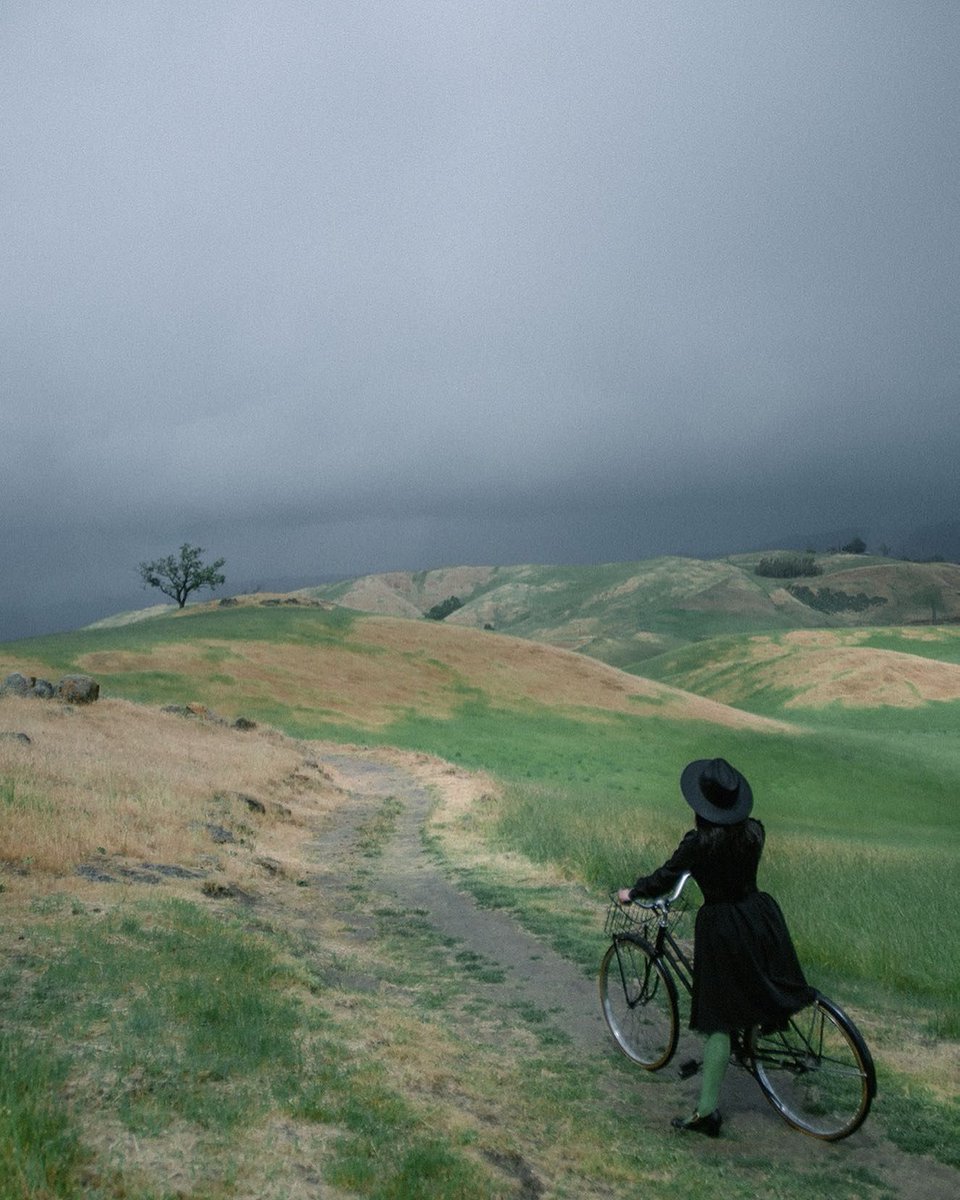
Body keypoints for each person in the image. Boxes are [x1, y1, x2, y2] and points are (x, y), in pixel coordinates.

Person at [618, 757, 814, 1138]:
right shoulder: (755, 832)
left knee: (718, 1018)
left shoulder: (699, 843)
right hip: (758, 916)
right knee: (756, 983)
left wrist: (633, 892)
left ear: (702, 806)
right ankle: (757, 1032)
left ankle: (706, 1113)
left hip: (722, 926)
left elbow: (666, 876)